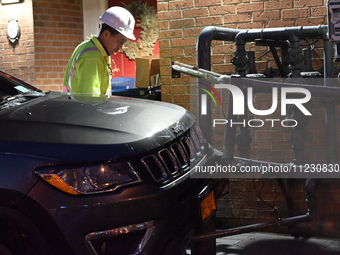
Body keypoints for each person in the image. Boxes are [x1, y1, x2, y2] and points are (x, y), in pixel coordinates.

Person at [63, 6, 135, 96]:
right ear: (107, 34)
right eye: (121, 41)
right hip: (85, 109)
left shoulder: (91, 48)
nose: (121, 47)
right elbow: (91, 99)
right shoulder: (93, 57)